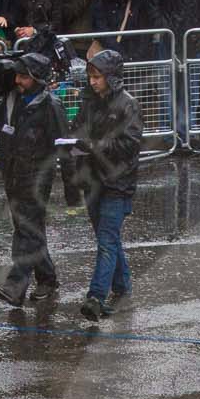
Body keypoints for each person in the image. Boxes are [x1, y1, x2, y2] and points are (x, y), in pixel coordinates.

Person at [0, 52, 68, 306]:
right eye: (17, 75)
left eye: (24, 76)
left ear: (37, 79)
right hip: (12, 174)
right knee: (28, 230)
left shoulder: (52, 107)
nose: (18, 81)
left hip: (37, 179)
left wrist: (73, 186)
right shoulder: (13, 99)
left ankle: (15, 286)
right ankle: (47, 278)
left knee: (27, 231)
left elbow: (64, 148)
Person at [72, 49, 140, 321]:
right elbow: (76, 127)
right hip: (93, 180)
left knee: (106, 241)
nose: (92, 82)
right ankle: (122, 285)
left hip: (116, 183)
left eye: (97, 77)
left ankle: (96, 296)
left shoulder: (127, 104)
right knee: (108, 238)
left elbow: (131, 143)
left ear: (110, 77)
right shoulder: (89, 102)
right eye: (90, 77)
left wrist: (97, 146)